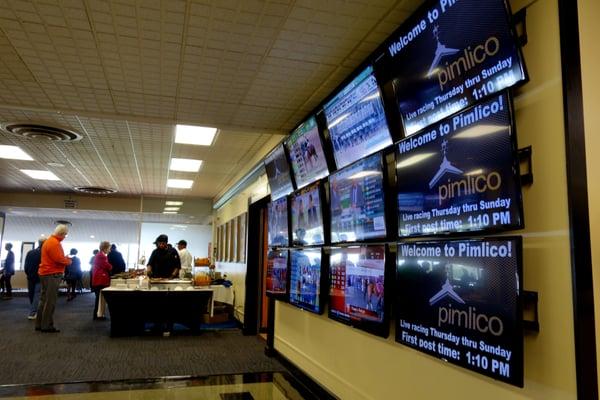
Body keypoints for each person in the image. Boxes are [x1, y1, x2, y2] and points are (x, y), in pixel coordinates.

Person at [36, 224, 72, 333]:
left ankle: (39, 324)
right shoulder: (54, 243)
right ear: (61, 234)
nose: (65, 237)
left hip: (45, 273)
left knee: (43, 299)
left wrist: (64, 259)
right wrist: (68, 261)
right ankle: (46, 325)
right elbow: (59, 259)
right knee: (50, 301)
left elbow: (55, 257)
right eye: (65, 235)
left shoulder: (49, 241)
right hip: (52, 274)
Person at [24, 238, 45, 319]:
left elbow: (26, 266)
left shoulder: (30, 252)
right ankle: (33, 313)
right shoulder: (44, 253)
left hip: (30, 277)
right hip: (39, 277)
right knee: (37, 295)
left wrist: (28, 274)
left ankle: (33, 310)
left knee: (32, 294)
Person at [91, 241, 112, 320]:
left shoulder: (100, 255)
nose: (109, 250)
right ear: (105, 248)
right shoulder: (102, 256)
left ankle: (98, 315)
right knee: (99, 299)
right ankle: (97, 315)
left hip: (98, 279)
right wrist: (111, 266)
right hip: (100, 280)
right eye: (109, 248)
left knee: (99, 298)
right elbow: (107, 266)